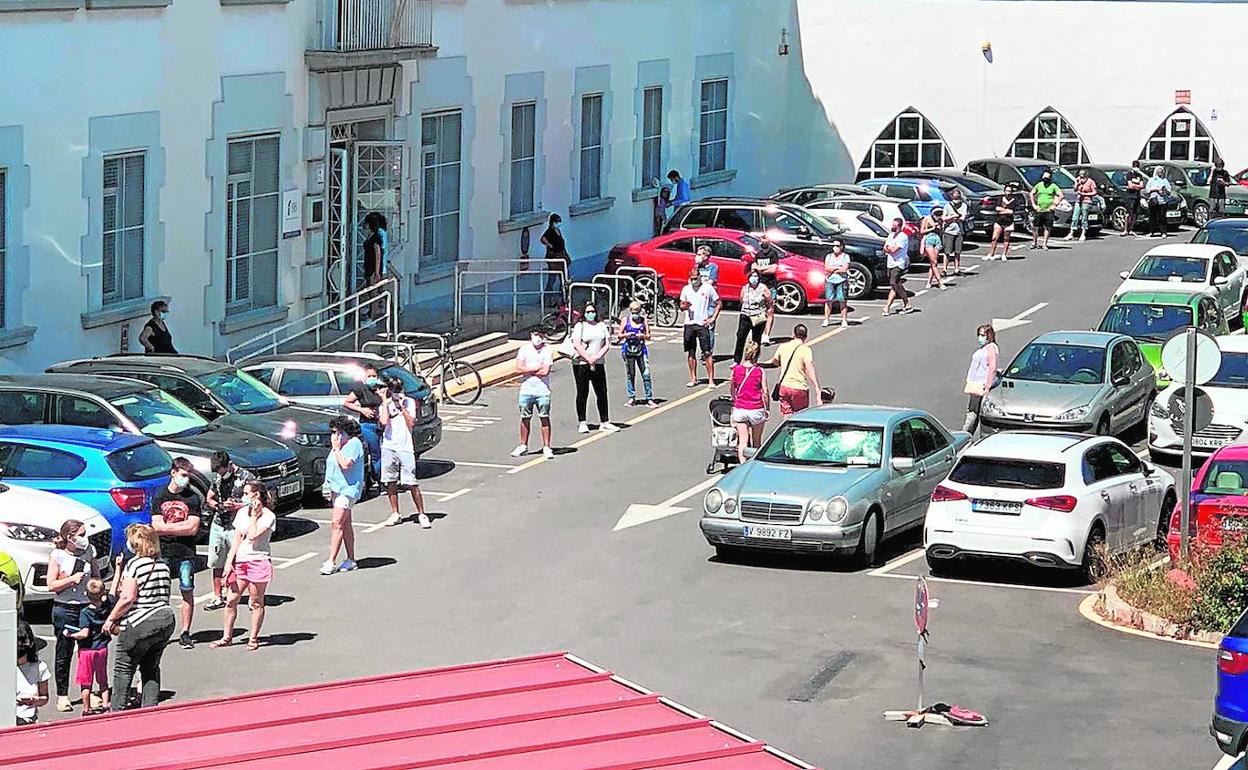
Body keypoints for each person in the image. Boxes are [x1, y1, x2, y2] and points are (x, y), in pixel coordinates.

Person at [104, 524, 175, 711]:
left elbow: (127, 597)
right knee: (151, 668)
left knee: (123, 669)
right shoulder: (162, 564)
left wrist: (111, 618)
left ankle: (117, 712)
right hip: (165, 618)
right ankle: (150, 710)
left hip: (140, 621)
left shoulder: (135, 565)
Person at [212, 480, 275, 651]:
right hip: (241, 561)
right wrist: (228, 563)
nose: (244, 497)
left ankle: (253, 638)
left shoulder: (268, 516)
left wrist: (254, 516)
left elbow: (253, 536)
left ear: (257, 495)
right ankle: (227, 637)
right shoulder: (241, 513)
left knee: (256, 602)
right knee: (231, 600)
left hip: (258, 561)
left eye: (247, 493)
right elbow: (238, 538)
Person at [45, 519, 99, 712]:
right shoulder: (58, 555)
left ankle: (88, 691)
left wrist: (96, 587)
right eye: (81, 535)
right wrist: (70, 580)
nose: (85, 539)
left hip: (86, 607)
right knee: (64, 652)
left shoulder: (89, 552)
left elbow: (96, 575)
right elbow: (51, 585)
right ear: (70, 537)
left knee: (87, 653)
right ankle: (62, 695)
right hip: (65, 608)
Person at [151, 457, 202, 650]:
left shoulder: (192, 498)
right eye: (183, 475)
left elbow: (193, 528)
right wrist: (181, 526)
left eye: (188, 476)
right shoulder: (160, 496)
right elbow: (156, 526)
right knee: (160, 592)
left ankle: (185, 632)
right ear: (173, 472)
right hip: (163, 551)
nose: (186, 479)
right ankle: (159, 631)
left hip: (185, 552)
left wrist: (168, 528)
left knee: (186, 590)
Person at [203, 451, 254, 611]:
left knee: (240, 560)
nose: (220, 475)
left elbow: (256, 500)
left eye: (222, 471)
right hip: (219, 523)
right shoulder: (217, 478)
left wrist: (237, 506)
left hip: (236, 525)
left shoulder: (246, 477)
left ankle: (249, 596)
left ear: (229, 465)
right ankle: (218, 596)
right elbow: (209, 497)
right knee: (217, 560)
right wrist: (217, 505)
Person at [378, 376, 430, 528]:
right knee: (391, 480)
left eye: (399, 391)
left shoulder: (410, 402)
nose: (397, 394)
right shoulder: (385, 405)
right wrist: (384, 401)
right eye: (394, 391)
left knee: (411, 482)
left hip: (405, 447)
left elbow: (411, 422)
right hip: (389, 445)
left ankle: (421, 513)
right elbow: (383, 422)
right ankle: (395, 513)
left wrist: (402, 407)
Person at [65, 575, 119, 714]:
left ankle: (86, 708)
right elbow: (112, 591)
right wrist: (118, 568)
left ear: (86, 595)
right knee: (102, 678)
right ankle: (106, 704)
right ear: (102, 593)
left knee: (86, 681)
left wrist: (70, 635)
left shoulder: (85, 612)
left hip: (87, 651)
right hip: (102, 648)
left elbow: (84, 633)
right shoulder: (107, 607)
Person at [320, 416, 365, 576]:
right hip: (336, 489)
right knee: (345, 524)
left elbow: (346, 465)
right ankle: (351, 559)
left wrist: (337, 449)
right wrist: (327, 486)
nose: (334, 436)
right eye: (333, 432)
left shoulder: (353, 444)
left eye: (337, 432)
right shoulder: (335, 447)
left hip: (348, 490)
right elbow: (331, 467)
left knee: (336, 523)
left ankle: (331, 561)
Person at [569, 302, 617, 433]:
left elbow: (607, 344)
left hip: (598, 363)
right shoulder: (580, 326)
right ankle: (582, 421)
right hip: (582, 364)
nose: (591, 314)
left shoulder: (601, 326)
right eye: (588, 312)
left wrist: (596, 358)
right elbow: (577, 344)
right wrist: (588, 358)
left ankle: (605, 421)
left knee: (601, 392)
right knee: (582, 392)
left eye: (593, 311)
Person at [512, 331, 555, 458]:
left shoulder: (547, 350)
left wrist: (528, 371)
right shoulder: (524, 349)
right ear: (531, 335)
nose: (538, 338)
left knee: (544, 417)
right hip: (526, 390)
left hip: (542, 391)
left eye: (541, 336)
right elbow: (518, 369)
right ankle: (523, 445)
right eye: (536, 335)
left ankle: (546, 447)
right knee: (525, 418)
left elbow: (545, 371)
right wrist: (536, 368)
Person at [769, 324, 825, 416]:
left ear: (794, 335)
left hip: (784, 386)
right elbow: (809, 368)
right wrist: (816, 387)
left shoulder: (783, 346)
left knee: (787, 415)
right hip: (799, 387)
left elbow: (774, 361)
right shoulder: (805, 350)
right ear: (805, 337)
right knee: (800, 415)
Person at [343, 363, 383, 489]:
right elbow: (347, 403)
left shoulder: (381, 389)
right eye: (369, 376)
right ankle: (379, 479)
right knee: (375, 453)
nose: (372, 378)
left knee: (384, 452)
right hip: (367, 425)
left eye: (374, 376)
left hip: (382, 424)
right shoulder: (360, 388)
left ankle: (382, 477)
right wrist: (362, 410)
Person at [730, 342, 769, 465]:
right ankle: (755, 464)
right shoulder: (759, 371)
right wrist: (767, 408)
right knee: (756, 440)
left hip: (740, 408)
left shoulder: (736, 370)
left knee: (742, 441)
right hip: (755, 408)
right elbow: (765, 392)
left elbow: (732, 388)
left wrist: (735, 400)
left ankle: (743, 464)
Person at [680, 267, 720, 387]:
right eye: (691, 279)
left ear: (700, 277)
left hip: (702, 324)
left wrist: (712, 318)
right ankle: (693, 378)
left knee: (707, 352)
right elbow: (681, 305)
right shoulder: (686, 289)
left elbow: (718, 303)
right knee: (691, 352)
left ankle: (711, 380)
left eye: (695, 279)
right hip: (689, 324)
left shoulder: (707, 288)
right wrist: (684, 306)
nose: (693, 281)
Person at [962, 323, 999, 434]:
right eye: (979, 334)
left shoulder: (991, 347)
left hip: (982, 385)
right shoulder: (983, 348)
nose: (980, 337)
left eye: (983, 335)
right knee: (972, 412)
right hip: (975, 384)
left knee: (975, 413)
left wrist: (987, 387)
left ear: (989, 335)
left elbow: (992, 368)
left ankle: (966, 435)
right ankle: (968, 434)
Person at [618, 301, 656, 407]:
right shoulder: (626, 320)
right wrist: (627, 335)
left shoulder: (644, 320)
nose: (635, 313)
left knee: (646, 373)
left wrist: (642, 336)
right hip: (628, 349)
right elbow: (619, 335)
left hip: (641, 349)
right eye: (633, 311)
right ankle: (631, 397)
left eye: (637, 311)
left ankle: (649, 398)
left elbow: (648, 335)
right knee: (631, 374)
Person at [15, 620, 50, 725]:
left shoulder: (40, 667)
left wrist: (34, 700)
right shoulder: (4, 667)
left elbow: (44, 698)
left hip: (27, 718)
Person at [734, 269, 773, 363]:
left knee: (756, 339)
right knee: (740, 337)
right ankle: (737, 360)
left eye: (756, 276)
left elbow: (769, 301)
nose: (753, 278)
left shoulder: (763, 288)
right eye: (752, 276)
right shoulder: (745, 288)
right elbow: (741, 300)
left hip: (758, 316)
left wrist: (766, 310)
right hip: (745, 316)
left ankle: (754, 359)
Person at [882, 218, 912, 315]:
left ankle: (887, 307)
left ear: (900, 227)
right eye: (892, 227)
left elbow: (894, 250)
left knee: (893, 285)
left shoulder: (903, 237)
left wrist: (889, 249)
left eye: (895, 227)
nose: (893, 229)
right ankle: (907, 304)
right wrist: (889, 249)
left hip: (898, 263)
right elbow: (885, 248)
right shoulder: (891, 235)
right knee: (897, 284)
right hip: (890, 263)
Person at [694, 245, 722, 351]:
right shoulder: (697, 267)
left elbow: (710, 282)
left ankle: (708, 352)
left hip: (710, 301)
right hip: (699, 300)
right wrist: (696, 266)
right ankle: (703, 350)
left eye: (700, 254)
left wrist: (700, 282)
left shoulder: (713, 267)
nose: (697, 256)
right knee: (699, 328)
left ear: (706, 256)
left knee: (709, 326)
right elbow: (692, 280)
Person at [988, 182, 1022, 260]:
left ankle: (1004, 254)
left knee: (1006, 239)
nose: (1008, 193)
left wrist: (1003, 210)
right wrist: (1006, 210)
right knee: (994, 238)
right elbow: (997, 209)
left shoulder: (1014, 200)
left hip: (1008, 222)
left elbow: (1012, 212)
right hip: (999, 221)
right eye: (1006, 191)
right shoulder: (1000, 199)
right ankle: (991, 254)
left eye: (1009, 191)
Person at [1029, 169, 1061, 250]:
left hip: (1049, 210)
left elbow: (1060, 195)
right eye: (1044, 177)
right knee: (1035, 227)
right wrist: (1033, 204)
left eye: (1047, 177)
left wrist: (1054, 204)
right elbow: (1032, 193)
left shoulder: (1053, 186)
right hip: (1039, 209)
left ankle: (1044, 243)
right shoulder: (1039, 185)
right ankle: (1034, 242)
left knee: (1047, 227)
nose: (1045, 179)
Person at [822, 240, 851, 328]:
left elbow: (844, 269)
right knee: (828, 300)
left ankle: (844, 320)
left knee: (842, 300)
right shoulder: (829, 256)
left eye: (837, 246)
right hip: (830, 280)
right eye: (834, 245)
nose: (835, 247)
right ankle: (826, 319)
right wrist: (838, 268)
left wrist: (833, 269)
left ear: (842, 247)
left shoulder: (845, 256)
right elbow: (826, 268)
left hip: (841, 281)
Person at [942, 188, 969, 276]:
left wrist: (954, 218)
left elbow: (962, 218)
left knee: (958, 251)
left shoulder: (964, 205)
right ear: (952, 197)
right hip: (948, 231)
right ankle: (944, 269)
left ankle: (957, 268)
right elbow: (944, 218)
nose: (956, 199)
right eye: (955, 197)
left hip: (959, 231)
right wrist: (953, 216)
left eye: (958, 197)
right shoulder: (947, 206)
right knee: (947, 251)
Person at [541, 213, 570, 296]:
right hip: (554, 257)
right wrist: (550, 245)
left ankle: (564, 296)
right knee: (552, 279)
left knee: (564, 278)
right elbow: (542, 239)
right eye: (557, 221)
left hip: (561, 255)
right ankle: (547, 298)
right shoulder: (549, 231)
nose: (558, 223)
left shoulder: (558, 231)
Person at [919, 208, 947, 290]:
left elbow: (941, 231)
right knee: (934, 261)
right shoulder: (926, 219)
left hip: (937, 239)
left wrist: (941, 226)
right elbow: (921, 231)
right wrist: (932, 227)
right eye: (936, 214)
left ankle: (929, 281)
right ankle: (940, 282)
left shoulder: (940, 220)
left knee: (933, 263)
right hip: (929, 239)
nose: (938, 216)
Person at [1068, 168, 1097, 242]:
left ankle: (1083, 233)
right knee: (1075, 216)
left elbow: (1094, 192)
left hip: (1086, 201)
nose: (1081, 177)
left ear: (1086, 175)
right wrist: (1076, 183)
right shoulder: (1078, 180)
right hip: (1078, 200)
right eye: (1080, 175)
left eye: (1082, 176)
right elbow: (1075, 189)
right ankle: (1071, 233)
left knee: (1084, 217)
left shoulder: (1091, 182)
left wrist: (1085, 194)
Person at [1145, 167, 1173, 238]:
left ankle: (1163, 232)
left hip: (1163, 201)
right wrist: (1156, 189)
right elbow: (1147, 189)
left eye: (1161, 172)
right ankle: (1151, 231)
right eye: (1159, 171)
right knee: (1152, 217)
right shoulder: (1151, 180)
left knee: (1162, 217)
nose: (1160, 173)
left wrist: (1164, 191)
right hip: (1154, 200)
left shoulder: (1165, 180)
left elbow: (1169, 191)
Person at [362, 212, 388, 287]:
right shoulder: (371, 235)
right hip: (369, 266)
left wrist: (377, 271)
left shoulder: (378, 235)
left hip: (375, 268)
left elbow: (378, 252)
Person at [1123, 161, 1145, 236]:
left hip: (1137, 196)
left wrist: (1134, 186)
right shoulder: (1129, 174)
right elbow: (1130, 185)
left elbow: (1142, 186)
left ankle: (1131, 229)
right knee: (1129, 213)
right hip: (1130, 196)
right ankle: (1125, 230)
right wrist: (1135, 186)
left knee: (1135, 214)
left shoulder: (1139, 175)